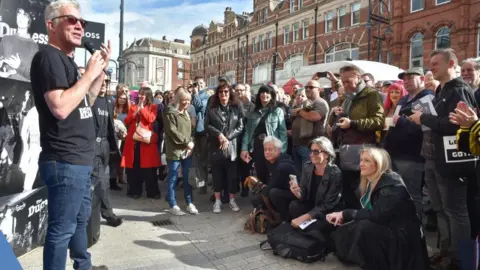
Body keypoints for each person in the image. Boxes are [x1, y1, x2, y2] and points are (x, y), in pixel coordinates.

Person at [29, 1, 109, 269]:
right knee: (61, 231)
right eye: (71, 20)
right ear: (51, 25)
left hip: (80, 161)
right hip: (65, 160)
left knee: (78, 222)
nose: (79, 26)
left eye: (82, 22)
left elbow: (85, 100)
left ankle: (83, 265)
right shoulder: (48, 58)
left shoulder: (66, 61)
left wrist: (97, 75)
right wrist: (88, 73)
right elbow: (61, 107)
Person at [408, 48, 476, 269]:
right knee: (441, 210)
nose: (431, 68)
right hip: (433, 158)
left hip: (451, 162)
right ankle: (446, 253)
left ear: (451, 64)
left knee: (456, 212)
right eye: (430, 64)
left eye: (436, 64)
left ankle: (462, 261)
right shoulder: (442, 90)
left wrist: (424, 117)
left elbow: (456, 123)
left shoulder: (460, 90)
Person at [327, 148, 429, 270]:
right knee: (347, 228)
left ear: (378, 164)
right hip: (390, 230)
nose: (361, 164)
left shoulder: (392, 185)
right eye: (361, 160)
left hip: (403, 238)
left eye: (367, 161)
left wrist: (345, 214)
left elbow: (377, 215)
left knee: (364, 227)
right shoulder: (371, 182)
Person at [385, 68, 434, 220]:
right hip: (394, 153)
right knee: (398, 192)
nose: (406, 81)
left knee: (412, 195)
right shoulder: (403, 99)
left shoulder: (427, 97)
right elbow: (394, 122)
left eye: (410, 78)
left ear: (421, 79)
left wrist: (402, 121)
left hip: (412, 156)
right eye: (404, 78)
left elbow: (427, 128)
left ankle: (415, 229)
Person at [80, 68, 122, 227]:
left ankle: (88, 215)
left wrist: (114, 147)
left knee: (97, 182)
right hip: (93, 146)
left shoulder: (109, 101)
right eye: (100, 81)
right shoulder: (89, 100)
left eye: (106, 82)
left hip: (105, 145)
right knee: (102, 181)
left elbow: (111, 125)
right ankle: (108, 214)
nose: (103, 85)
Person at [285, 137, 343, 227]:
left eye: (316, 152)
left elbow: (327, 205)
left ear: (326, 154)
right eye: (311, 151)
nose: (312, 154)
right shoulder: (307, 167)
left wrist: (304, 218)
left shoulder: (335, 174)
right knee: (294, 205)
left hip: (326, 211)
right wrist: (297, 193)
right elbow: (303, 196)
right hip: (311, 206)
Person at [205, 84, 244, 213]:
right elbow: (207, 125)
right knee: (216, 174)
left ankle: (232, 200)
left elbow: (240, 126)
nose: (223, 94)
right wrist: (219, 135)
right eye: (221, 92)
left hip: (231, 145)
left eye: (226, 91)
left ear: (230, 93)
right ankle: (217, 201)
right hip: (216, 146)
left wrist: (227, 137)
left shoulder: (236, 108)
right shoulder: (212, 108)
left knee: (232, 176)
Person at [241, 85, 287, 184]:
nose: (264, 94)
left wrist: (282, 150)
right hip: (258, 145)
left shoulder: (277, 111)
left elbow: (283, 132)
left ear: (272, 95)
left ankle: (273, 197)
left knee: (275, 173)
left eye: (267, 92)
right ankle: (263, 196)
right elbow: (247, 132)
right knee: (260, 172)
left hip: (273, 146)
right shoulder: (253, 112)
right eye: (262, 92)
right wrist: (244, 148)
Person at [163, 89, 199, 216]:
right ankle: (173, 204)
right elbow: (172, 132)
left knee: (187, 177)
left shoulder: (187, 113)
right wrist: (186, 143)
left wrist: (191, 142)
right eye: (184, 99)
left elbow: (191, 131)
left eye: (189, 100)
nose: (187, 102)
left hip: (186, 151)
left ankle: (189, 203)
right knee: (173, 178)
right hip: (174, 151)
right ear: (178, 99)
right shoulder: (169, 112)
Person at [121, 87, 161, 199]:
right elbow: (127, 121)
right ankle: (134, 191)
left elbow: (151, 119)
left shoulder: (153, 107)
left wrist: (142, 110)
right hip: (133, 142)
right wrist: (135, 113)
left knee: (149, 169)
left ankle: (152, 192)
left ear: (148, 96)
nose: (140, 96)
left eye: (143, 95)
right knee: (134, 168)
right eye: (139, 94)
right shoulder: (133, 107)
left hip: (146, 141)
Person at [251, 136, 296, 221]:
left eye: (270, 149)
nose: (267, 152)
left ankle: (285, 220)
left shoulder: (282, 165)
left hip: (295, 195)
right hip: (280, 190)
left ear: (278, 151)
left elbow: (268, 190)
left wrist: (263, 187)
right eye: (265, 150)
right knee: (255, 199)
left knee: (273, 193)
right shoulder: (269, 161)